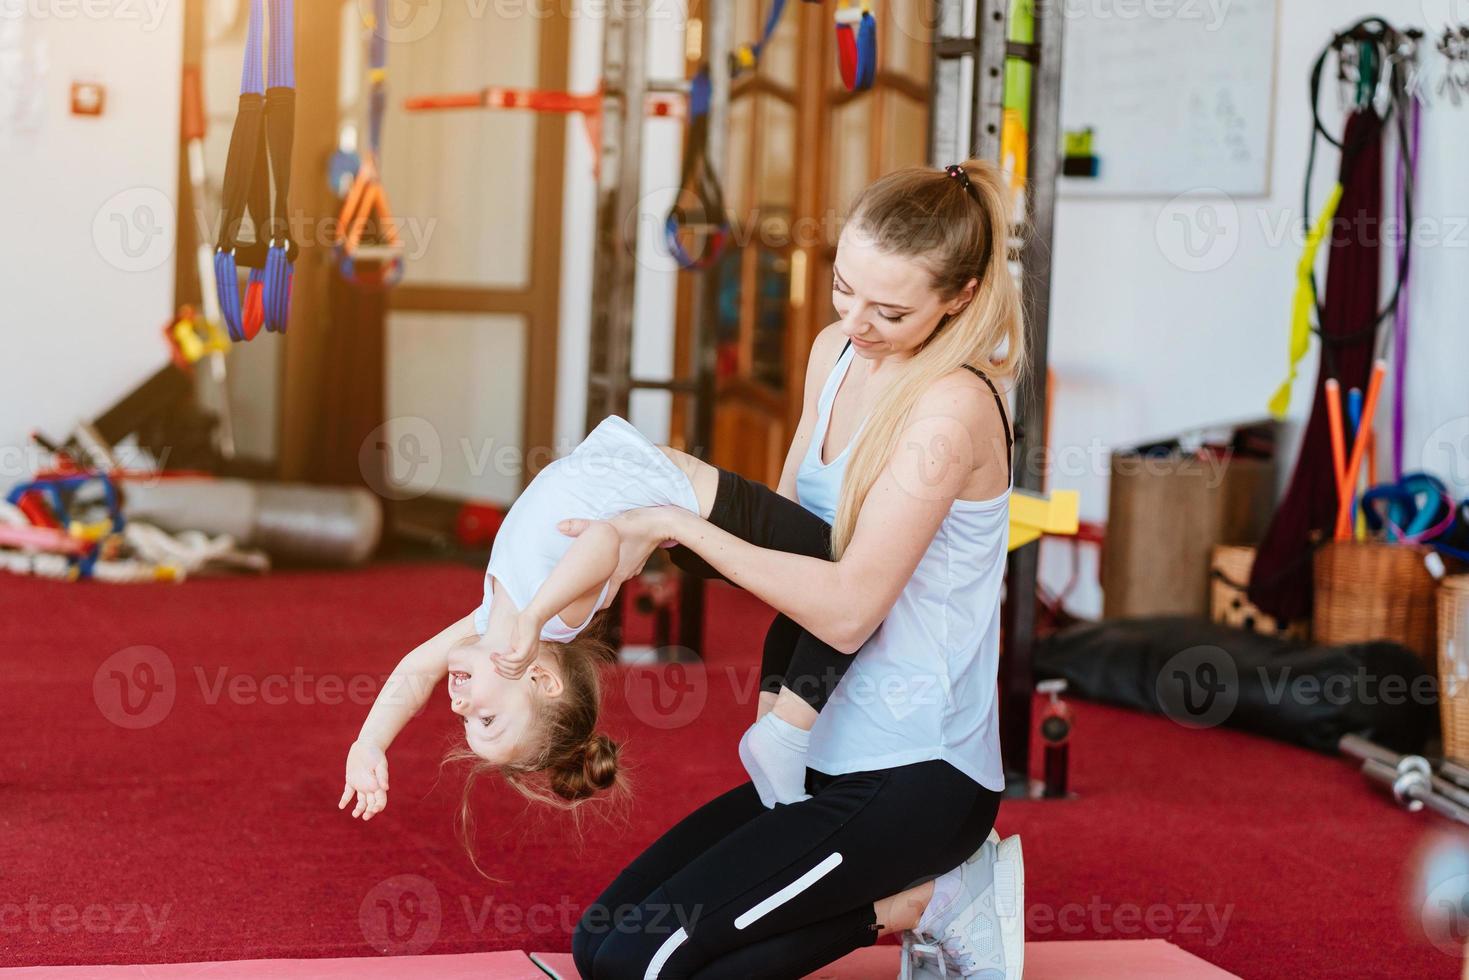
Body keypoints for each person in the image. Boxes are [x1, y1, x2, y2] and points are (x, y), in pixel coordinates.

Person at [566, 160, 1027, 979]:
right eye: (843, 287)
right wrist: (647, 531)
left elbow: (848, 609)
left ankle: (925, 899)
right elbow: (787, 549)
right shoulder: (835, 354)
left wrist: (682, 522)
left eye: (889, 309)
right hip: (820, 760)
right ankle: (917, 896)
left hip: (914, 775)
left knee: (643, 966)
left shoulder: (950, 408)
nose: (856, 320)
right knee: (600, 939)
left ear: (956, 298)